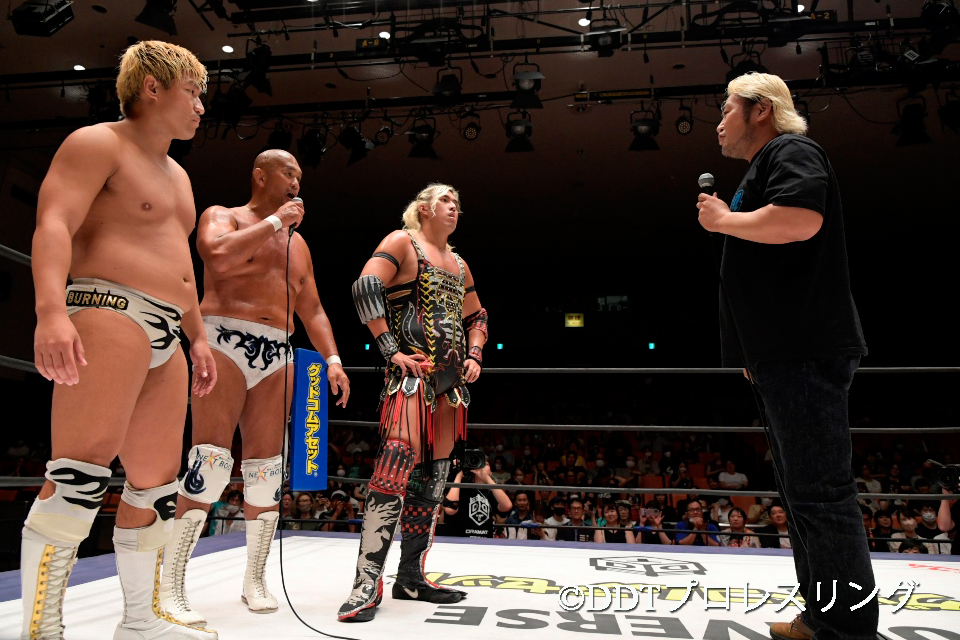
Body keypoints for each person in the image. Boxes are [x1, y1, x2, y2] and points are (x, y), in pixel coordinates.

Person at [23, 41, 217, 640]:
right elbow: (54, 222)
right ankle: (41, 629)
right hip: (108, 309)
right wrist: (50, 310)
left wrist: (198, 337)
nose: (201, 106)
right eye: (193, 91)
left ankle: (140, 621)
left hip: (169, 331)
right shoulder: (97, 143)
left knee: (157, 488)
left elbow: (180, 264)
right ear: (153, 87)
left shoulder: (179, 177)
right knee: (78, 476)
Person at [697, 72, 877, 640]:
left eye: (727, 109)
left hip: (804, 349)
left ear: (760, 110)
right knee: (803, 495)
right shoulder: (766, 165)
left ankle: (847, 629)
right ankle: (823, 617)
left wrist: (724, 220)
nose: (718, 122)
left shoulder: (792, 150)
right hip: (783, 353)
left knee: (820, 493)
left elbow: (801, 220)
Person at [159, 148, 351, 624]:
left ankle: (255, 579)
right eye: (289, 173)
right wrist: (274, 222)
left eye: (300, 176)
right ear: (261, 176)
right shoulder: (222, 216)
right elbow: (216, 256)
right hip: (223, 338)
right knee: (209, 462)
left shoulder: (298, 246)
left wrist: (333, 359)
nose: (296, 182)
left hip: (278, 349)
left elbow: (312, 308)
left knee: (266, 472)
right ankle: (171, 584)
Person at [339, 184, 488, 621]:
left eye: (458, 204)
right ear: (424, 208)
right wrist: (389, 349)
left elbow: (477, 315)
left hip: (450, 386)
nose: (454, 209)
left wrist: (475, 353)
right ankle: (365, 584)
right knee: (394, 467)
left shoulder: (460, 263)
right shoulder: (402, 242)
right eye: (446, 202)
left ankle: (410, 577)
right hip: (410, 379)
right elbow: (365, 286)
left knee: (435, 479)